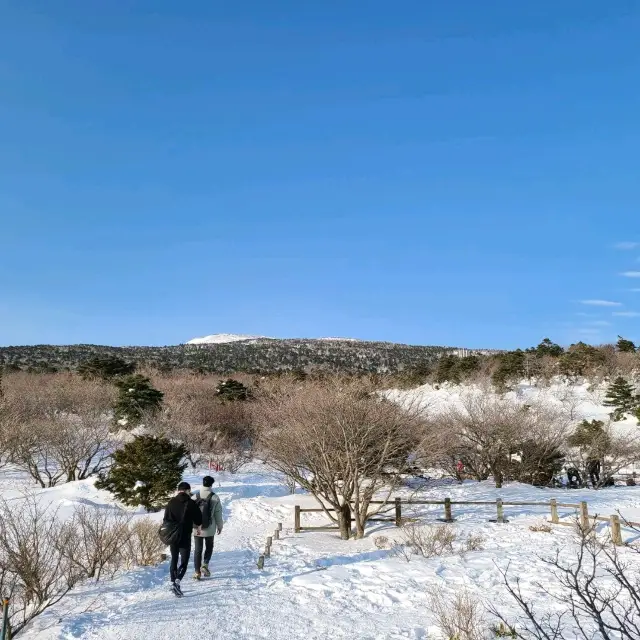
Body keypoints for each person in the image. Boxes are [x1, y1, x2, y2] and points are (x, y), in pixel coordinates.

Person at [163, 481, 203, 596]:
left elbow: (166, 520)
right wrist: (198, 527)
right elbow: (198, 520)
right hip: (185, 536)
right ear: (188, 491)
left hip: (173, 536)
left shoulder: (170, 503)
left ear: (178, 490)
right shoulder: (191, 503)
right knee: (184, 561)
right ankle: (177, 581)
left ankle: (172, 582)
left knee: (174, 559)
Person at [192, 476, 223, 580]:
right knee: (209, 547)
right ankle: (205, 565)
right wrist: (220, 526)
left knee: (197, 550)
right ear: (211, 484)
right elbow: (218, 514)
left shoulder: (194, 496)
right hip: (209, 528)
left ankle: (197, 573)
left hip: (197, 528)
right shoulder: (215, 497)